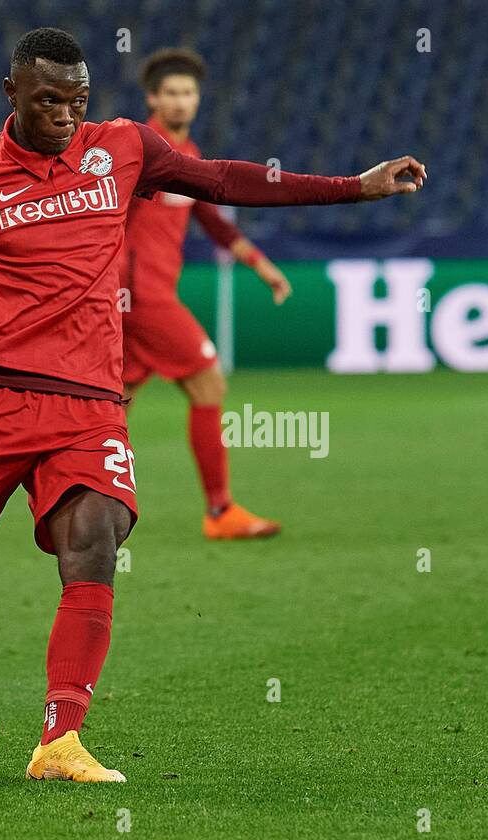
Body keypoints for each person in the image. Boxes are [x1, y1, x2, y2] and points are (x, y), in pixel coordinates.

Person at [0, 28, 426, 784]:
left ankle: (58, 743)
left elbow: (222, 180)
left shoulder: (123, 148)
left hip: (91, 402)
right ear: (12, 95)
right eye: (49, 100)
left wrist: (353, 186)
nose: (66, 113)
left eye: (78, 99)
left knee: (96, 537)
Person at [121, 48, 290, 539]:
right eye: (170, 92)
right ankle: (219, 512)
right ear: (152, 97)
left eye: (188, 93)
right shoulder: (137, 150)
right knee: (208, 383)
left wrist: (261, 265)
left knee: (112, 405)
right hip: (137, 296)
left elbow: (211, 218)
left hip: (131, 299)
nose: (180, 101)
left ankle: (72, 507)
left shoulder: (187, 153)